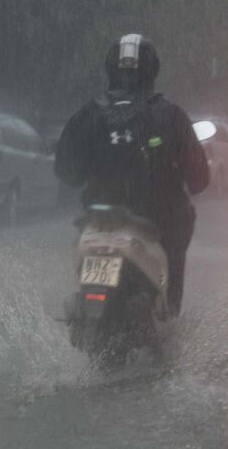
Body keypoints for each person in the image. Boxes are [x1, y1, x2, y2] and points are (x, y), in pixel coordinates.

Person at [55, 34, 209, 316]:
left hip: (99, 220)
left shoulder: (87, 115)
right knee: (182, 226)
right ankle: (168, 311)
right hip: (160, 221)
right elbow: (199, 179)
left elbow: (65, 172)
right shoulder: (170, 115)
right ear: (152, 71)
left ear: (111, 69)